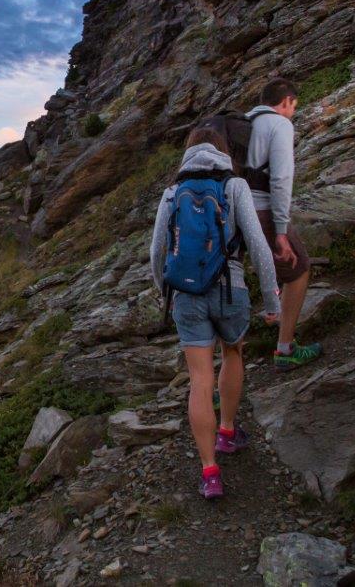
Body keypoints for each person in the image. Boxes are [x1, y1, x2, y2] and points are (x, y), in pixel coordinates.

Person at [150, 126, 281, 500]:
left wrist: (167, 294)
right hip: (230, 289)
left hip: (187, 296)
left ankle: (209, 473)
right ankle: (226, 432)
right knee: (233, 353)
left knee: (199, 380)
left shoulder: (172, 193)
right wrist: (272, 303)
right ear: (223, 152)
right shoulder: (234, 186)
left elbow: (156, 252)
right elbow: (258, 246)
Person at [246, 77, 322, 371]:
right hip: (261, 208)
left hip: (229, 208)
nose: (293, 112)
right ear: (286, 101)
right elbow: (280, 179)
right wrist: (280, 231)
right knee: (298, 269)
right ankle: (284, 349)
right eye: (293, 107)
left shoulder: (241, 122)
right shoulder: (279, 125)